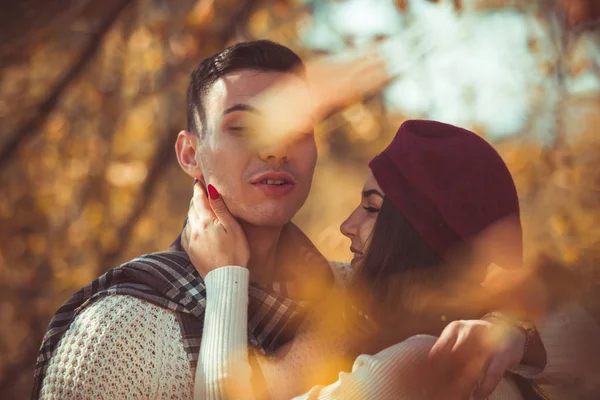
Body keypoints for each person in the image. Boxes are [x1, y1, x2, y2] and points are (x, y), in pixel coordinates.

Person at [32, 40, 598, 400]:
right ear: (189, 154)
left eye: (294, 129)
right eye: (242, 127)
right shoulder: (123, 328)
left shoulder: (358, 296)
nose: (275, 150)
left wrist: (514, 339)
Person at [185, 120, 600, 399]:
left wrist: (224, 273)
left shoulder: (421, 362)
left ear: (417, 237)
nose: (347, 226)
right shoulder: (477, 349)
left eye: (371, 208)